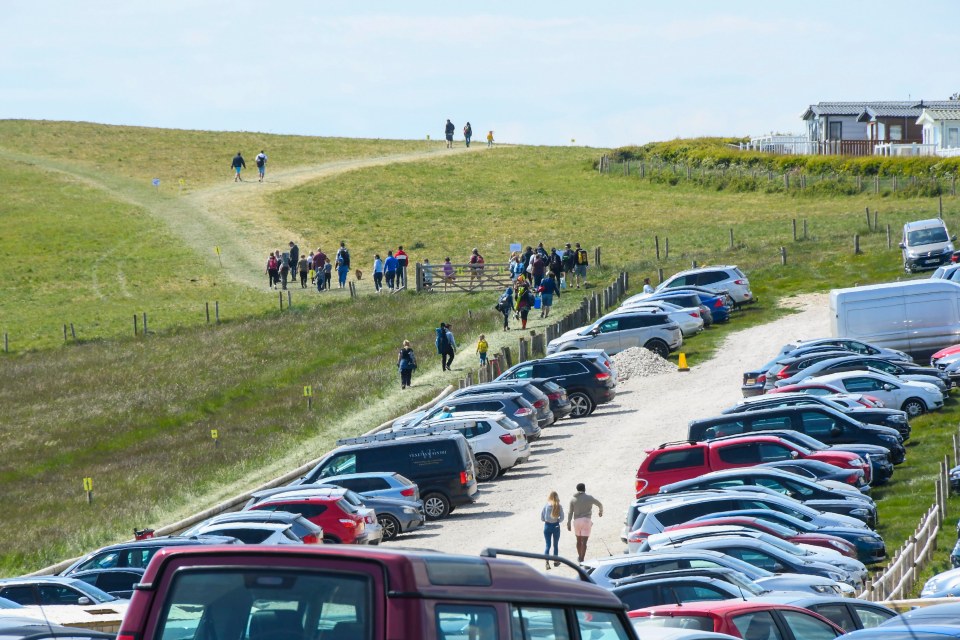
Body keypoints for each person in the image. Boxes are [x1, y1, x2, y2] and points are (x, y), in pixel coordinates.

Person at [567, 483, 603, 564]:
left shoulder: (573, 499)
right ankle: (582, 559)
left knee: (578, 541)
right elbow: (600, 504)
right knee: (584, 542)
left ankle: (579, 557)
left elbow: (570, 512)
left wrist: (568, 523)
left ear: (577, 489)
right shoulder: (589, 498)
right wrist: (600, 512)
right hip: (586, 520)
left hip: (577, 521)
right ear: (584, 489)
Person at [541, 491, 564, 569]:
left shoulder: (546, 506)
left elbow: (542, 518)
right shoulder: (559, 506)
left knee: (548, 545)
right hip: (556, 526)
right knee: (555, 545)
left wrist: (547, 520)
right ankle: (555, 561)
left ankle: (547, 562)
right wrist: (557, 521)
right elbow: (562, 518)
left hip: (547, 526)